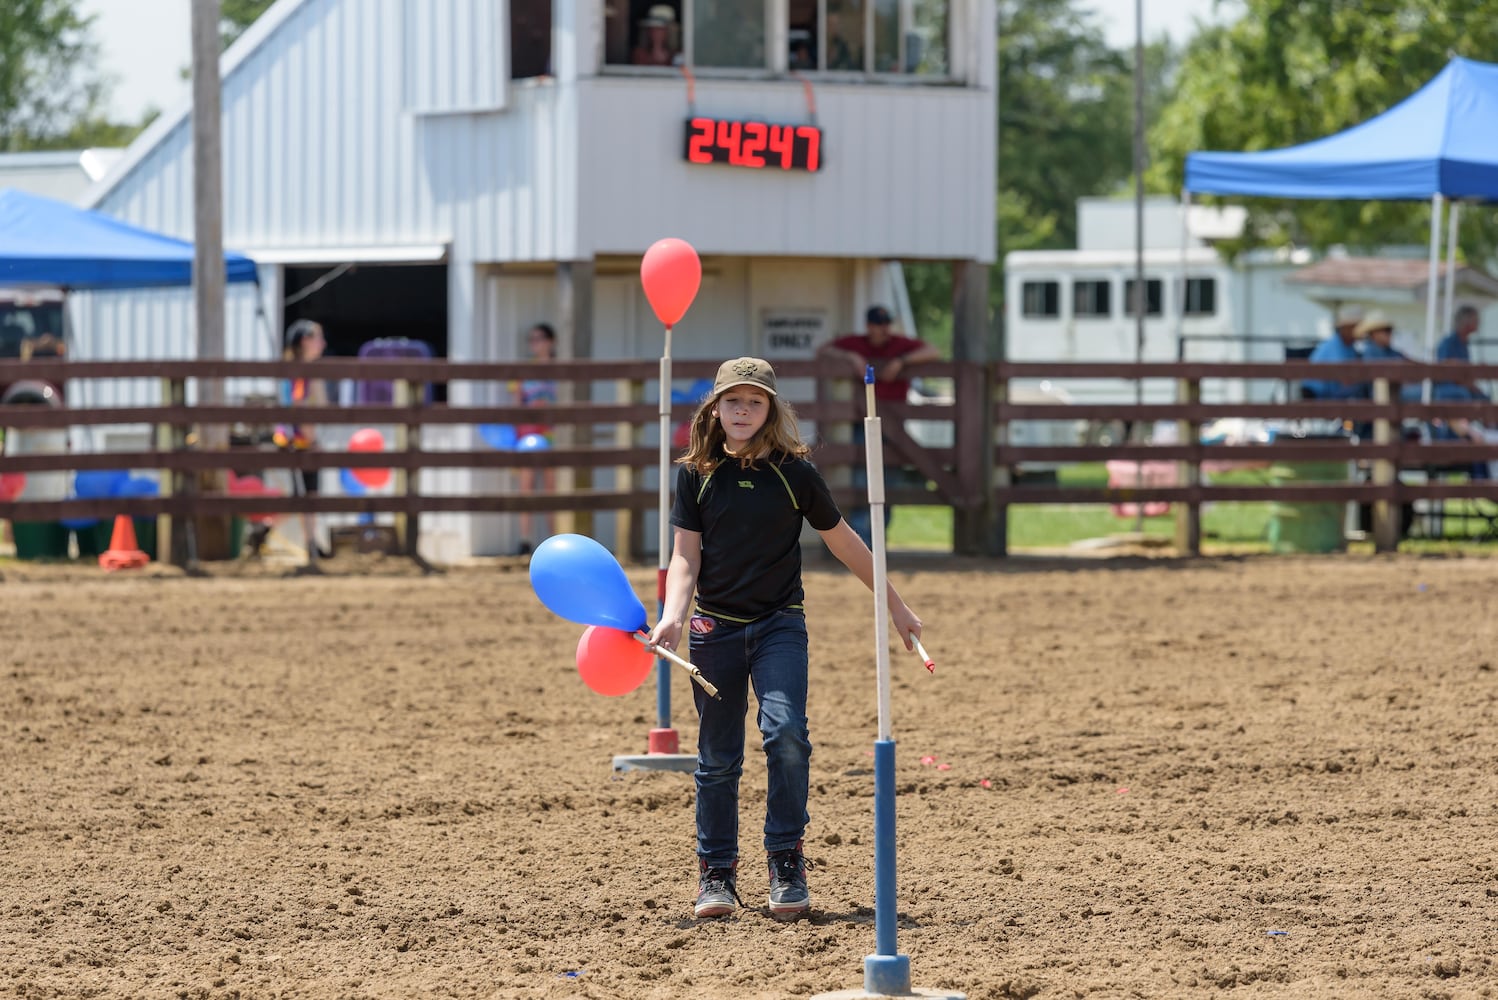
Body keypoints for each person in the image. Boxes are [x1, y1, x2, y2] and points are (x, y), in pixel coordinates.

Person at [647, 356, 924, 922]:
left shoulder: (794, 472)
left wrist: (896, 607)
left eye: (754, 400)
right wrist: (673, 615)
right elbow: (684, 556)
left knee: (786, 734)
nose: (742, 409)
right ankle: (716, 873)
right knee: (718, 757)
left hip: (779, 624)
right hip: (714, 628)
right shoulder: (694, 474)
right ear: (715, 408)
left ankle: (785, 860)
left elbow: (846, 544)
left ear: (770, 408)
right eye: (732, 400)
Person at [816, 305, 941, 546]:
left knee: (889, 482)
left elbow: (933, 351)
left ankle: (876, 541)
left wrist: (901, 361)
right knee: (863, 483)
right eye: (878, 324)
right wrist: (850, 357)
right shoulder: (855, 343)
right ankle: (864, 543)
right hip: (862, 422)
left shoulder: (900, 344)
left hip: (894, 425)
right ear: (869, 325)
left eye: (885, 324)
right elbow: (823, 351)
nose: (882, 329)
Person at [274, 319, 330, 563]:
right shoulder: (302, 375)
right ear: (305, 341)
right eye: (318, 338)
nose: (323, 343)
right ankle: (310, 545)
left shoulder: (302, 373)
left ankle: (311, 544)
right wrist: (311, 438)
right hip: (296, 442)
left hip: (294, 440)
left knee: (306, 496)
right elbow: (302, 409)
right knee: (307, 495)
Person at [514, 323, 558, 554]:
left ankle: (554, 540)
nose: (535, 343)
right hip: (528, 435)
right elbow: (516, 404)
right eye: (532, 339)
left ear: (551, 342)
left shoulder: (560, 370)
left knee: (551, 490)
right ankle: (525, 540)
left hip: (551, 435)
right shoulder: (524, 372)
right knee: (526, 489)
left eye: (539, 338)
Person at [1303, 304, 1367, 400]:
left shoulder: (1349, 347)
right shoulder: (1333, 346)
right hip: (1317, 396)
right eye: (1356, 327)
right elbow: (1344, 379)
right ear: (1345, 328)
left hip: (1331, 396)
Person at [1435, 304, 1490, 401]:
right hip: (1448, 386)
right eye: (1475, 320)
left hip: (1462, 385)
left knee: (1484, 398)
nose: (1478, 322)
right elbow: (1445, 365)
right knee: (1462, 395)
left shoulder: (1463, 343)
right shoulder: (1449, 342)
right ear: (1467, 322)